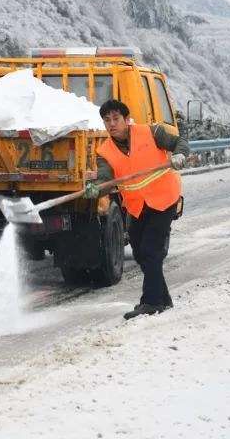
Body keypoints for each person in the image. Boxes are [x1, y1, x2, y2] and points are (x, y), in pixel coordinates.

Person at [85, 99, 189, 320]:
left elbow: (179, 142)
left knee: (151, 250)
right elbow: (106, 179)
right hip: (137, 205)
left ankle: (151, 302)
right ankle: (163, 298)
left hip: (164, 198)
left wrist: (179, 154)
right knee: (140, 253)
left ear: (126, 119)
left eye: (116, 119)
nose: (112, 124)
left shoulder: (151, 132)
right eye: (107, 120)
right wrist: (96, 189)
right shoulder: (104, 151)